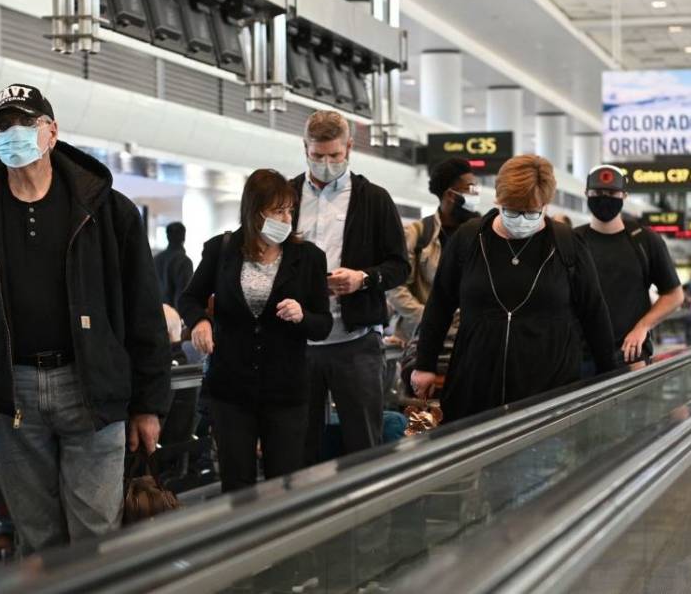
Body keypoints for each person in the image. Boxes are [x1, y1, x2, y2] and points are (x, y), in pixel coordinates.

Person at [0, 83, 172, 555]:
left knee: (95, 536)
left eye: (26, 124)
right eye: (3, 128)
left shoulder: (106, 210)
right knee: (38, 539)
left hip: (90, 386)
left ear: (52, 131)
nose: (14, 135)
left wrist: (149, 403)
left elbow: (142, 312)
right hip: (10, 394)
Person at [411, 155, 616, 422]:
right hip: (474, 386)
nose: (521, 219)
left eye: (531, 212)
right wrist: (424, 364)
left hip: (548, 390)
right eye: (512, 210)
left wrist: (610, 375)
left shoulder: (568, 246)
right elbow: (439, 305)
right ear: (498, 200)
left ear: (546, 205)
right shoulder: (469, 239)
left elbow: (594, 312)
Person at [179, 169, 332, 491]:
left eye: (290, 209)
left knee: (285, 482)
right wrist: (200, 321)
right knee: (237, 483)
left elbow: (323, 325)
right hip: (231, 387)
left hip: (286, 389)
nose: (286, 218)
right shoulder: (221, 250)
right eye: (277, 210)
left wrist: (302, 316)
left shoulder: (309, 258)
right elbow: (190, 298)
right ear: (255, 211)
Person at [290, 110, 410, 463]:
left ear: (350, 149)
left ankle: (369, 517)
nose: (326, 163)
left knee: (364, 445)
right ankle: (306, 516)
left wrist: (363, 278)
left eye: (334, 155)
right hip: (299, 341)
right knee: (299, 446)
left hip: (355, 341)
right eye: (317, 155)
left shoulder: (374, 198)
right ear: (305, 148)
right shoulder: (287, 195)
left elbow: (399, 266)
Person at [575, 165, 683, 368]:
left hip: (631, 354)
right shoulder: (574, 241)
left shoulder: (645, 240)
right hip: (581, 357)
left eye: (612, 192)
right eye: (597, 192)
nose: (604, 198)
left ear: (624, 195)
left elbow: (674, 295)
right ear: (586, 194)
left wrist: (643, 327)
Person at [388, 158, 480, 343]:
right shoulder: (418, 233)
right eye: (470, 188)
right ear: (451, 195)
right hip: (425, 337)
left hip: (473, 336)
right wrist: (427, 315)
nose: (476, 193)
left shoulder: (483, 233)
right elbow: (396, 286)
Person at [154, 222, 193, 308]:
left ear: (167, 237)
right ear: (184, 237)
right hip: (174, 317)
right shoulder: (185, 262)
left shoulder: (155, 259)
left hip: (156, 314)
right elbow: (182, 298)